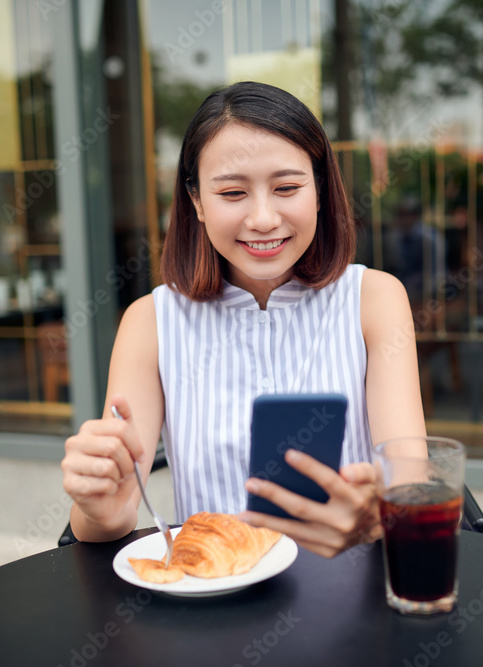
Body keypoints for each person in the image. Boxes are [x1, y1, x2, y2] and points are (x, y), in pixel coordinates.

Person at [60, 82, 426, 558]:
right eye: (233, 192)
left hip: (351, 589)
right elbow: (109, 516)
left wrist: (377, 515)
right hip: (213, 598)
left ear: (318, 191)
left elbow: (411, 481)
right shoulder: (151, 322)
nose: (263, 218)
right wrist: (99, 507)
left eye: (287, 188)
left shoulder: (374, 300)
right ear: (195, 201)